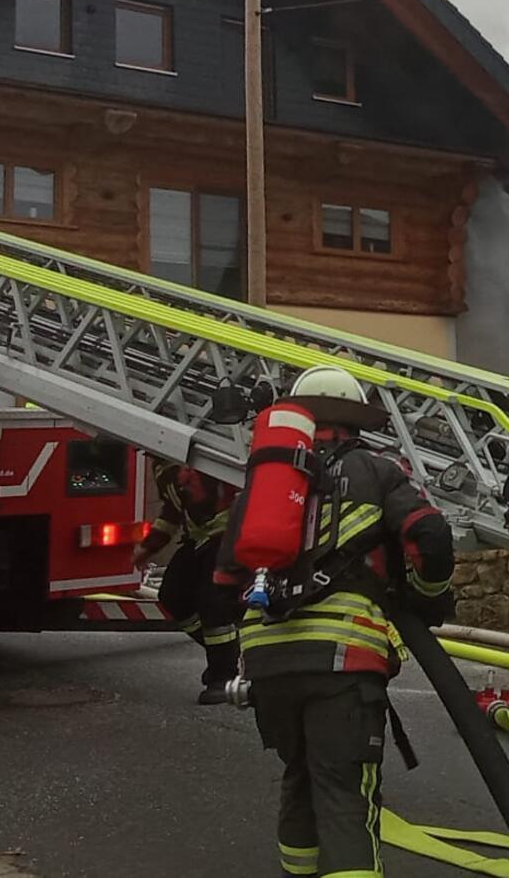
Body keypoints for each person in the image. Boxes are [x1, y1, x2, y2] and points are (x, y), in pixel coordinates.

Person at [220, 365, 456, 878]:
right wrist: (428, 598)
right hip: (342, 661)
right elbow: (431, 538)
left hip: (265, 663)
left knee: (301, 778)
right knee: (344, 794)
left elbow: (222, 578)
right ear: (354, 421)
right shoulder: (376, 470)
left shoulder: (263, 484)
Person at [133, 457, 240, 703]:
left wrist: (189, 477)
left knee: (212, 602)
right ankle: (229, 652)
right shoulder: (165, 464)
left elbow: (204, 501)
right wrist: (148, 548)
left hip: (227, 534)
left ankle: (223, 677)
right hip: (201, 539)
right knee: (172, 594)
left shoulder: (197, 458)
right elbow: (172, 512)